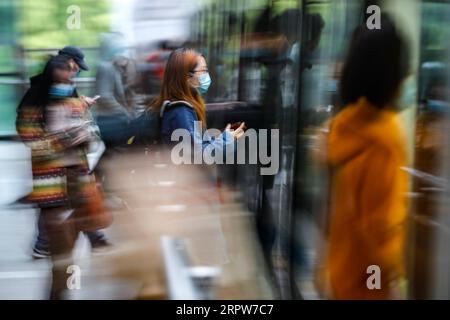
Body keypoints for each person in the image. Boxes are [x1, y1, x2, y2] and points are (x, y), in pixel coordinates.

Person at [321, 15, 411, 299]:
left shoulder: (343, 126)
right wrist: (400, 279)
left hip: (341, 274)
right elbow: (381, 231)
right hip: (370, 287)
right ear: (392, 76)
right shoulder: (384, 140)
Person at [16, 55, 105, 299]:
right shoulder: (32, 106)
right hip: (52, 193)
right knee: (61, 258)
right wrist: (66, 139)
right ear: (51, 77)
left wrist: (85, 135)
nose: (71, 79)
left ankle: (60, 294)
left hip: (79, 188)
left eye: (74, 73)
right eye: (67, 74)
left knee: (69, 257)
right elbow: (33, 143)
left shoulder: (75, 102)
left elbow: (93, 137)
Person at [151, 48, 246, 152]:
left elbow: (199, 143)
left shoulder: (181, 108)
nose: (207, 75)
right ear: (187, 77)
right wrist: (227, 139)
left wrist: (224, 135)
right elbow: (199, 155)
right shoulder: (180, 111)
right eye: (203, 71)